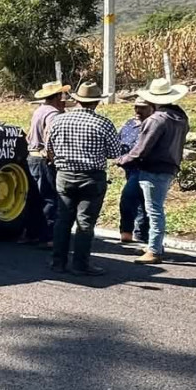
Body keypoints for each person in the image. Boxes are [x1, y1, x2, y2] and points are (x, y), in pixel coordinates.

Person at [45, 82, 121, 276]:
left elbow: (49, 147)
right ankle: (80, 264)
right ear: (96, 102)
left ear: (77, 100)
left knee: (63, 220)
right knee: (85, 222)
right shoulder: (103, 123)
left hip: (64, 174)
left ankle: (58, 262)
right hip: (91, 177)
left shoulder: (59, 121)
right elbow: (114, 152)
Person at [115, 78, 190, 265]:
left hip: (153, 167)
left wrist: (122, 160)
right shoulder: (180, 117)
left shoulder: (156, 120)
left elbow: (141, 149)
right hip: (170, 166)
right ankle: (154, 244)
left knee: (153, 210)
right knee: (154, 207)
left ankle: (154, 250)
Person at [24, 81, 69, 247]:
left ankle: (31, 233)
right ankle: (48, 236)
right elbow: (51, 137)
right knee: (50, 198)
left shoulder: (39, 111)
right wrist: (52, 157)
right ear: (57, 96)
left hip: (32, 157)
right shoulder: (53, 114)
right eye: (61, 95)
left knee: (34, 197)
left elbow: (29, 136)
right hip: (44, 158)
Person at [117, 98, 155, 244]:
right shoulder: (129, 124)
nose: (138, 111)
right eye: (136, 107)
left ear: (152, 108)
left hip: (144, 167)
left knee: (129, 197)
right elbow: (119, 141)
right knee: (140, 201)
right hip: (129, 168)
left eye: (142, 108)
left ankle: (129, 231)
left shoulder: (153, 125)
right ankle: (141, 234)